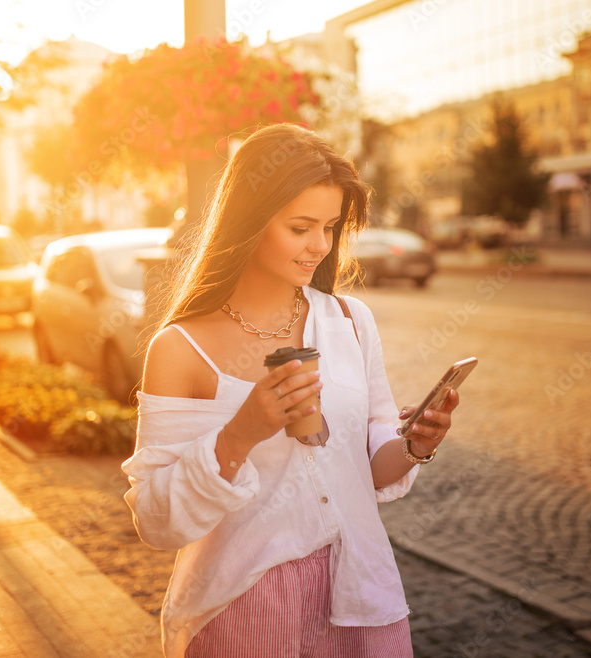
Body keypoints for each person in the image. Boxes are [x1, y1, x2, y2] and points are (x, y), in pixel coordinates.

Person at [121, 123, 461, 658]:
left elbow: (371, 463)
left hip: (362, 598)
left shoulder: (350, 320)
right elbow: (157, 521)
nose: (319, 247)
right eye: (301, 227)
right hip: (247, 610)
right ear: (250, 221)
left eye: (329, 227)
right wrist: (240, 435)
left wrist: (416, 443)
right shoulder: (182, 348)